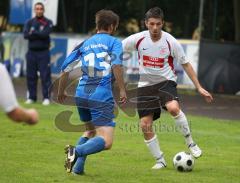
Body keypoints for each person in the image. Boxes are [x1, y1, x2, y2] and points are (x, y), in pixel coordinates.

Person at [122, 7, 213, 169]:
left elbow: (186, 64)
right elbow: (117, 48)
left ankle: (190, 143)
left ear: (162, 23)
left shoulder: (171, 42)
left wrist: (199, 87)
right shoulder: (138, 39)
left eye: (158, 24)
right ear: (146, 24)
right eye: (152, 24)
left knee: (172, 108)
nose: (155, 28)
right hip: (145, 85)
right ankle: (160, 160)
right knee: (145, 124)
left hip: (166, 82)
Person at [57, 9, 126, 175]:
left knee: (89, 131)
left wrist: (61, 92)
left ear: (98, 25)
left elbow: (65, 69)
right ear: (111, 26)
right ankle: (76, 152)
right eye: (115, 26)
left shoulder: (84, 43)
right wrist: (122, 89)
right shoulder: (114, 42)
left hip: (81, 94)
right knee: (107, 141)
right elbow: (116, 65)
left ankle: (78, 169)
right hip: (100, 95)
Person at [23, 2, 53, 105]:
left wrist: (34, 33)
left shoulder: (48, 22)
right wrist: (38, 34)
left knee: (45, 76)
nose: (39, 10)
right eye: (37, 9)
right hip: (31, 53)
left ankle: (46, 98)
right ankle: (32, 97)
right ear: (34, 10)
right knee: (31, 76)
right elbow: (26, 35)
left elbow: (45, 34)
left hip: (43, 53)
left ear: (43, 10)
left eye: (41, 9)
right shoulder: (29, 22)